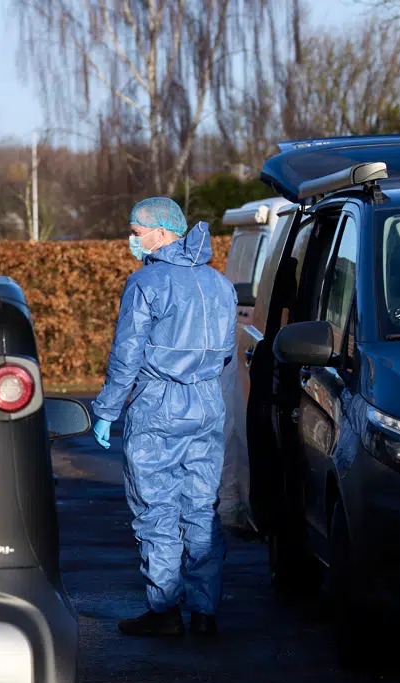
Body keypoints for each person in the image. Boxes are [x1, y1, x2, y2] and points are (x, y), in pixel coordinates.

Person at [90, 198, 237, 637]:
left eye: (136, 230)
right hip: (208, 405)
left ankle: (165, 610)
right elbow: (226, 353)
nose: (132, 239)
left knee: (156, 510)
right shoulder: (219, 283)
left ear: (160, 232)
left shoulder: (146, 284)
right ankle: (205, 612)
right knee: (200, 508)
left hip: (158, 406)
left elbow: (126, 357)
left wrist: (106, 411)